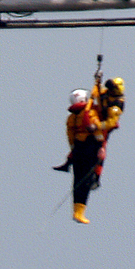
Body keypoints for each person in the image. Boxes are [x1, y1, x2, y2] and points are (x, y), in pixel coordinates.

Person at [59, 88, 104, 224]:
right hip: (90, 148)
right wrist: (101, 145)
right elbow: (97, 128)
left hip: (78, 149)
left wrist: (73, 149)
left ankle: (77, 212)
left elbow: (70, 136)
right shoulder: (89, 113)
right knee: (87, 180)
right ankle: (95, 181)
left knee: (77, 181)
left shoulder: (71, 118)